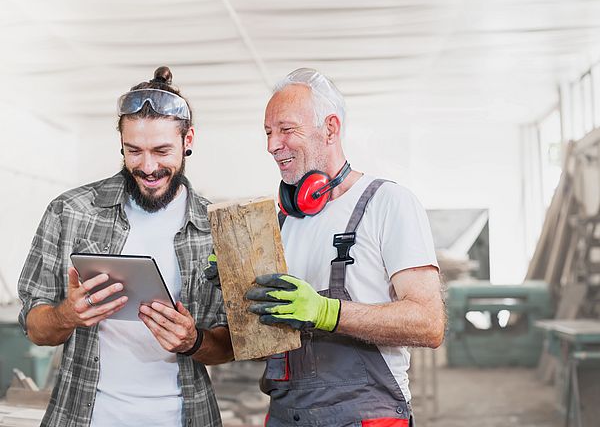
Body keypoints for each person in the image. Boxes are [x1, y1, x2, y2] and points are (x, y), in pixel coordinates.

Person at [18, 67, 233, 427]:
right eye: (134, 151)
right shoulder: (69, 211)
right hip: (84, 417)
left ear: (188, 139)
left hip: (183, 416)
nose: (148, 167)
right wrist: (67, 316)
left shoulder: (218, 228)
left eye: (162, 150)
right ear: (120, 143)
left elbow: (232, 345)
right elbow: (35, 326)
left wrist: (193, 341)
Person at [246, 68, 446, 426]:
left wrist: (327, 312)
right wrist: (238, 290)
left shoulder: (387, 203)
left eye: (286, 130)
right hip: (285, 416)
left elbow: (429, 323)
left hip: (366, 418)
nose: (272, 145)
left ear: (331, 129)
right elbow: (261, 348)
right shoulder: (283, 222)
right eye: (268, 132)